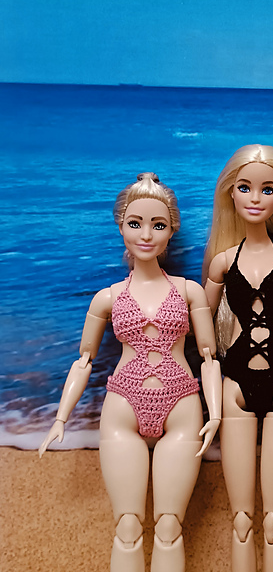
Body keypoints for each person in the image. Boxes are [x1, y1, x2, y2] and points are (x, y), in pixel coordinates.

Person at [39, 173, 222, 572]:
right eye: (135, 223)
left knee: (170, 527)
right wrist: (60, 417)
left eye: (158, 225)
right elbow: (83, 361)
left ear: (172, 230)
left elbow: (209, 357)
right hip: (123, 405)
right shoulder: (107, 297)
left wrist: (217, 413)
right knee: (126, 526)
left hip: (181, 405)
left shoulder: (189, 291)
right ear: (121, 226)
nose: (146, 235)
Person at [203, 145, 273, 572]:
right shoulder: (221, 263)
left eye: (267, 189)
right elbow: (198, 322)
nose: (255, 198)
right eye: (245, 188)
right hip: (234, 387)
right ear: (230, 193)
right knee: (242, 521)